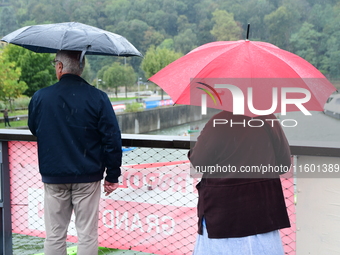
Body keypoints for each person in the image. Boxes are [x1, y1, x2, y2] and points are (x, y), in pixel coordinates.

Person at [28, 50, 122, 255]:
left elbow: (35, 128)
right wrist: (112, 175)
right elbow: (112, 138)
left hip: (54, 176)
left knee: (54, 235)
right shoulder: (98, 98)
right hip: (87, 176)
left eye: (55, 64)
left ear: (60, 67)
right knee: (87, 235)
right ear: (81, 68)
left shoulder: (40, 97)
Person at [188, 111, 291, 255]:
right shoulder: (268, 119)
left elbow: (198, 163)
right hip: (263, 210)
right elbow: (284, 164)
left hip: (224, 214)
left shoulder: (219, 121)